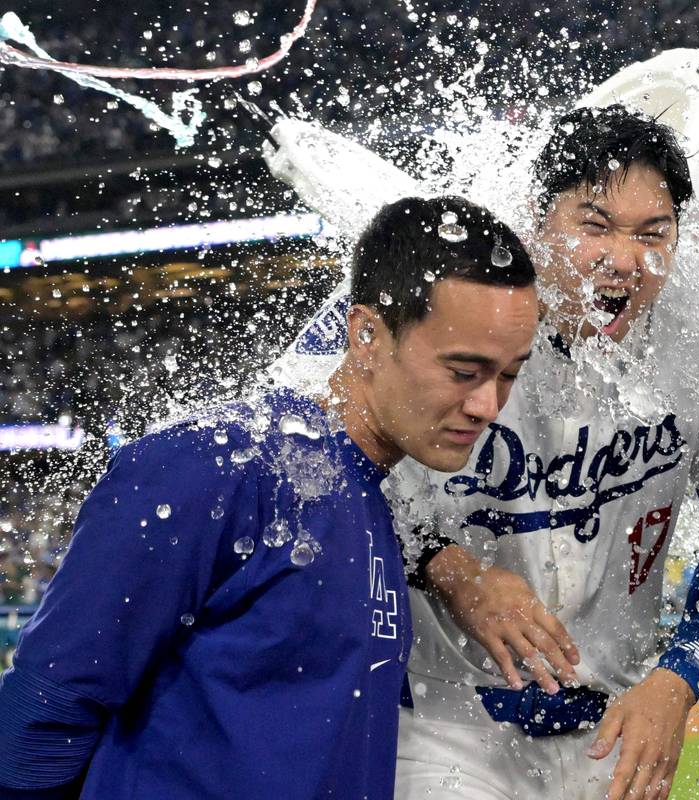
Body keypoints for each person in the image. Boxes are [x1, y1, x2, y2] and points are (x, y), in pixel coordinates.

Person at [0, 196, 540, 799]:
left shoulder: (376, 504)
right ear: (364, 334)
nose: (487, 406)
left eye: (509, 373)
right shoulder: (212, 463)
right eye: (464, 371)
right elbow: (44, 709)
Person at [389, 105, 699, 800]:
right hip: (447, 723)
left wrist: (680, 678)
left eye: (653, 233)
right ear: (538, 224)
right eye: (594, 226)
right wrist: (451, 569)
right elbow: (345, 473)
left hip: (612, 727)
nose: (625, 260)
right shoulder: (462, 319)